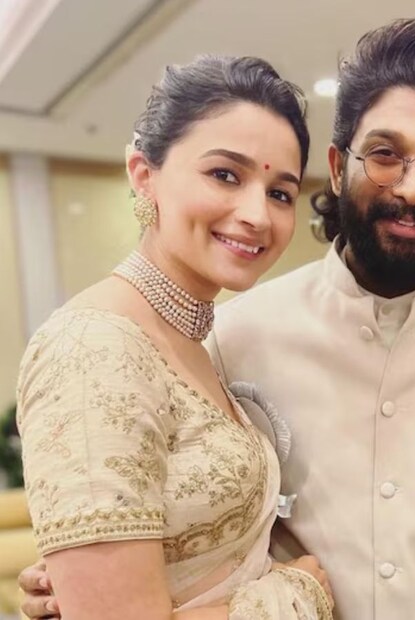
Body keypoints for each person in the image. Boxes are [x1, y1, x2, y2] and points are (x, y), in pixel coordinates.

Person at [19, 19, 415, 620]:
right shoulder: (234, 334)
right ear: (337, 166)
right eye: (384, 155)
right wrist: (91, 584)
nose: (413, 188)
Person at [16, 55, 334, 619]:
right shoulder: (92, 349)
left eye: (280, 193)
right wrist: (297, 592)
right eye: (225, 175)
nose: (257, 215)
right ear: (144, 174)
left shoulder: (193, 342)